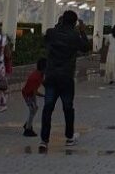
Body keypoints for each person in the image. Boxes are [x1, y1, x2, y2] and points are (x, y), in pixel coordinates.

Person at [39, 10, 91, 152]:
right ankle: (69, 137)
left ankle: (44, 140)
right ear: (74, 23)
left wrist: (59, 25)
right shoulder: (74, 36)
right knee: (68, 108)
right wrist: (82, 31)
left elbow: (46, 40)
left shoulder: (51, 33)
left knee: (47, 108)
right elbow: (86, 48)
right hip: (66, 78)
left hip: (51, 77)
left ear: (61, 21)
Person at [22, 57, 46, 137]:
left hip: (31, 94)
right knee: (32, 110)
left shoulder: (40, 74)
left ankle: (28, 124)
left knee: (34, 108)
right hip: (28, 95)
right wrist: (44, 95)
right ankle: (28, 129)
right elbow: (34, 92)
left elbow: (43, 82)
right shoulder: (36, 77)